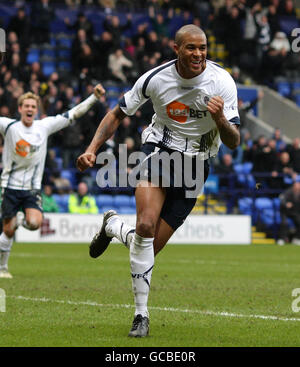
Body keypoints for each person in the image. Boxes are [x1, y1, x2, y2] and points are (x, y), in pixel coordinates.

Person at [76, 24, 240, 337]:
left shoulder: (222, 81)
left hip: (198, 165)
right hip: (160, 151)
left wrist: (220, 119)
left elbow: (233, 141)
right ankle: (141, 316)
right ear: (176, 48)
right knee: (147, 227)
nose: (198, 54)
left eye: (203, 48)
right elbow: (117, 113)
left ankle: (112, 227)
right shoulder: (155, 78)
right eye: (191, 48)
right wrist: (92, 149)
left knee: (147, 247)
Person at [0, 84, 105, 279]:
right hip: (9, 186)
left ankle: (20, 219)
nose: (30, 109)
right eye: (27, 106)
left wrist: (93, 98)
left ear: (37, 109)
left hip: (31, 188)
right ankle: (3, 268)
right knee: (7, 230)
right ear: (20, 108)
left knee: (34, 223)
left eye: (33, 106)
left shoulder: (44, 126)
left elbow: (72, 114)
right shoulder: (8, 126)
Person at [277, 180, 300, 245]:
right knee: (284, 223)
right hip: (285, 212)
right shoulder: (288, 192)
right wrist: (286, 204)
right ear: (294, 185)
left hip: (294, 212)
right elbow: (282, 199)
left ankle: (297, 238)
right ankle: (281, 239)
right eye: (297, 185)